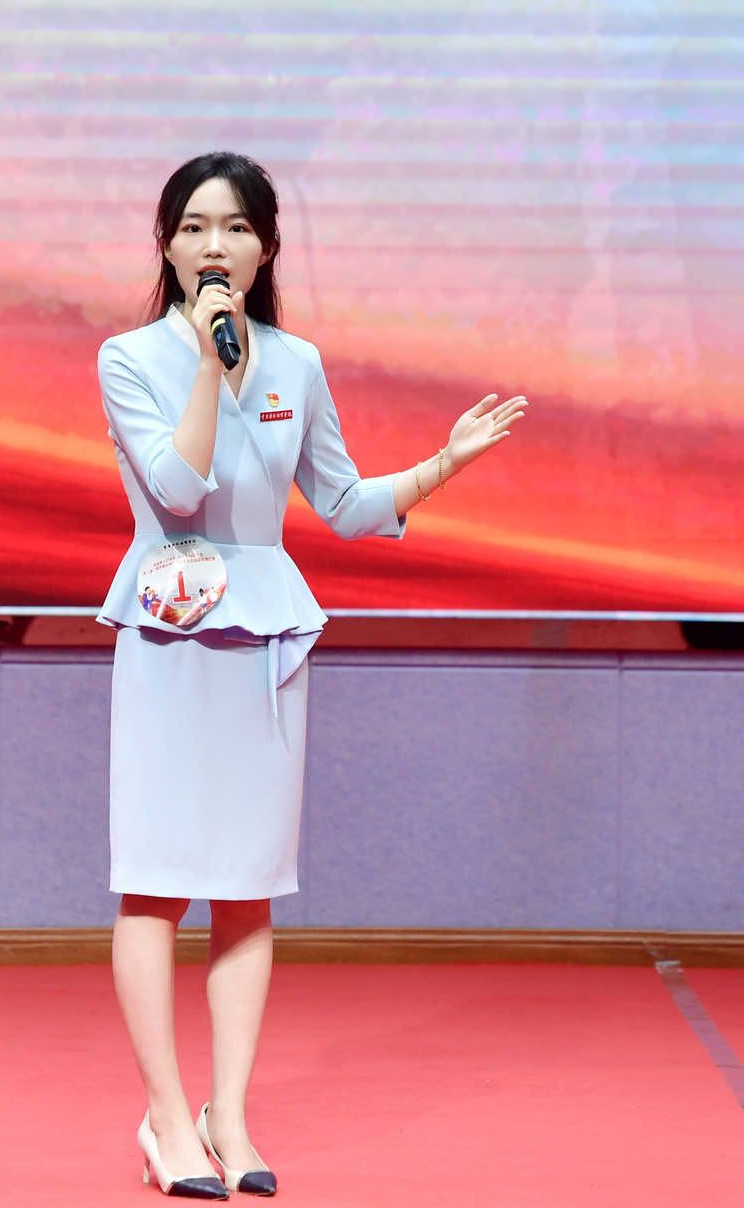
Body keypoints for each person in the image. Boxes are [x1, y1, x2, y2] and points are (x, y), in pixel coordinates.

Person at [95, 152, 527, 1198]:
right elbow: (180, 487)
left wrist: (443, 464)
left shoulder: (297, 363)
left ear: (267, 247)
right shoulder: (130, 358)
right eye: (194, 227)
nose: (215, 246)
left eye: (236, 228)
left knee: (245, 887)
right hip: (168, 631)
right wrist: (210, 366)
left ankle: (229, 1117)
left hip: (268, 641)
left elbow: (341, 503)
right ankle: (166, 1120)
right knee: (155, 882)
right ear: (167, 247)